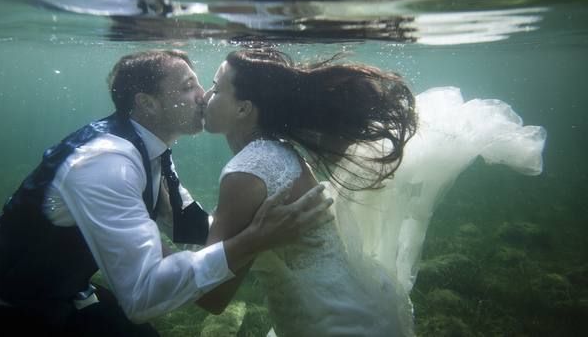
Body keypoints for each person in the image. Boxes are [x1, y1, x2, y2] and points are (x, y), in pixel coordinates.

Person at [0, 49, 332, 337]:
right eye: (189, 86)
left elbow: (189, 223)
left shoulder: (152, 150)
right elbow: (141, 296)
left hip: (57, 297)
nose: (203, 97)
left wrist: (260, 226)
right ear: (147, 103)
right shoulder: (109, 163)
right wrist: (255, 240)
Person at [199, 49, 547, 337]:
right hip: (354, 314)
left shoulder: (247, 171)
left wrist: (160, 253)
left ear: (244, 109)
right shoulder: (279, 151)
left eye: (215, 89)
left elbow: (212, 297)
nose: (204, 96)